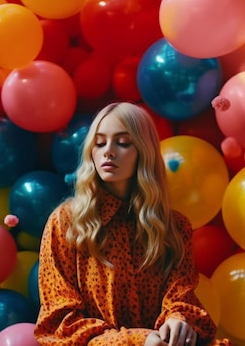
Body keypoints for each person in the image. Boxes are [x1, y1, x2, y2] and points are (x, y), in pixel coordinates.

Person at [34, 102, 229, 346]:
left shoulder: (174, 227)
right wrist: (137, 340)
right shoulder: (66, 223)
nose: (108, 151)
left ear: (143, 151)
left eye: (123, 142)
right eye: (99, 142)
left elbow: (181, 295)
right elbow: (59, 321)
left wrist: (179, 319)